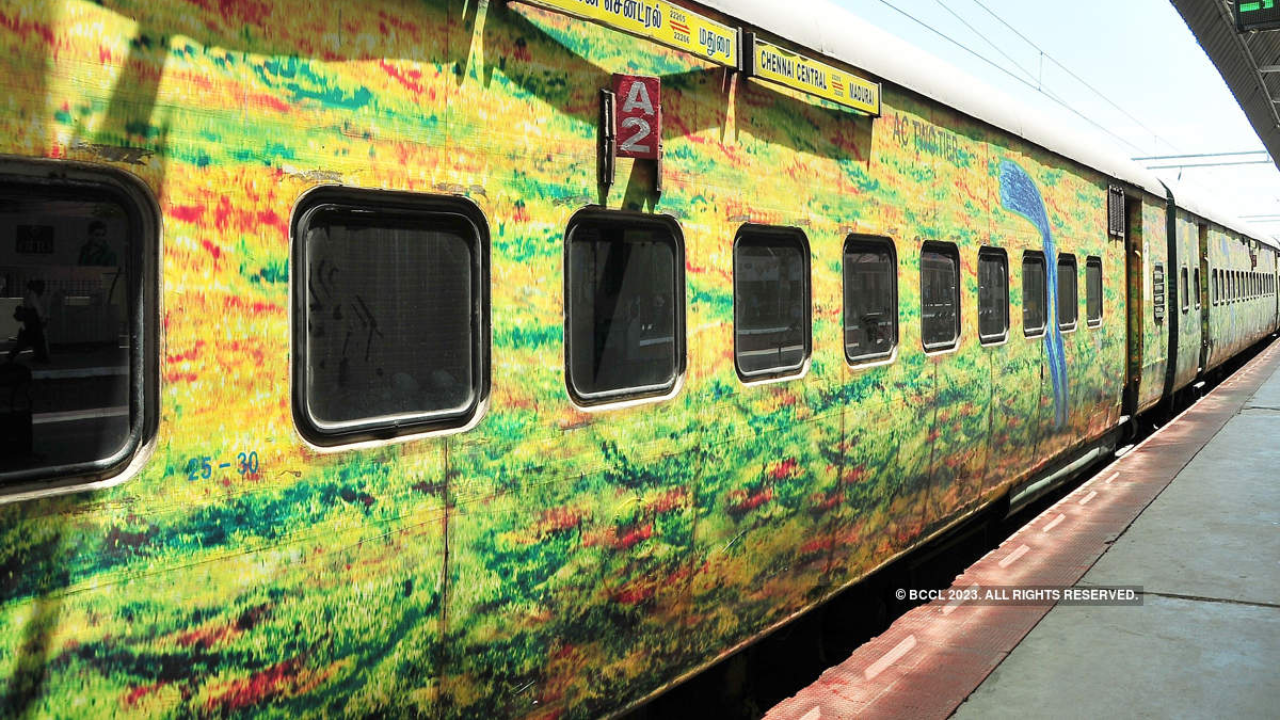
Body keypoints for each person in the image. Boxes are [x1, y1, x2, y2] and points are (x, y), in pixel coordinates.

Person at [8, 280, 50, 363]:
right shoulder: (33, 295)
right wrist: (43, 319)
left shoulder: (28, 294)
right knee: (36, 340)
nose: (42, 289)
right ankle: (41, 357)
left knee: (34, 340)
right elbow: (38, 308)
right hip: (33, 319)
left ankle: (39, 357)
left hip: (29, 319)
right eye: (40, 286)